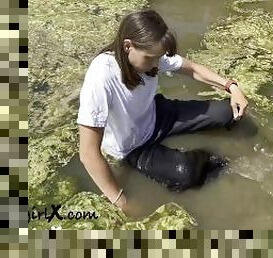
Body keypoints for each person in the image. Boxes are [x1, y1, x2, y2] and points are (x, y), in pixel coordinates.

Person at [77, 9, 249, 216]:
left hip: (157, 114)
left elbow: (192, 68)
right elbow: (88, 153)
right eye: (150, 58)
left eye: (159, 58)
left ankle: (208, 157)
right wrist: (121, 201)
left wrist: (232, 87)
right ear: (127, 46)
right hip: (132, 146)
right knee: (186, 175)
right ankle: (209, 157)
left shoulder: (152, 56)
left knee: (227, 113)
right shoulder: (101, 77)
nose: (157, 65)